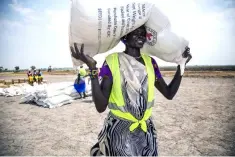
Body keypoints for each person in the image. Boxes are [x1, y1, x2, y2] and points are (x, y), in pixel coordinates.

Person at [70, 25, 192, 156]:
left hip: (145, 133)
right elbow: (100, 106)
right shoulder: (112, 61)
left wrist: (181, 66)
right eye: (136, 33)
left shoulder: (151, 62)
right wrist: (92, 68)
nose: (140, 35)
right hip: (119, 133)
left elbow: (169, 93)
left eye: (142, 33)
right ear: (124, 37)